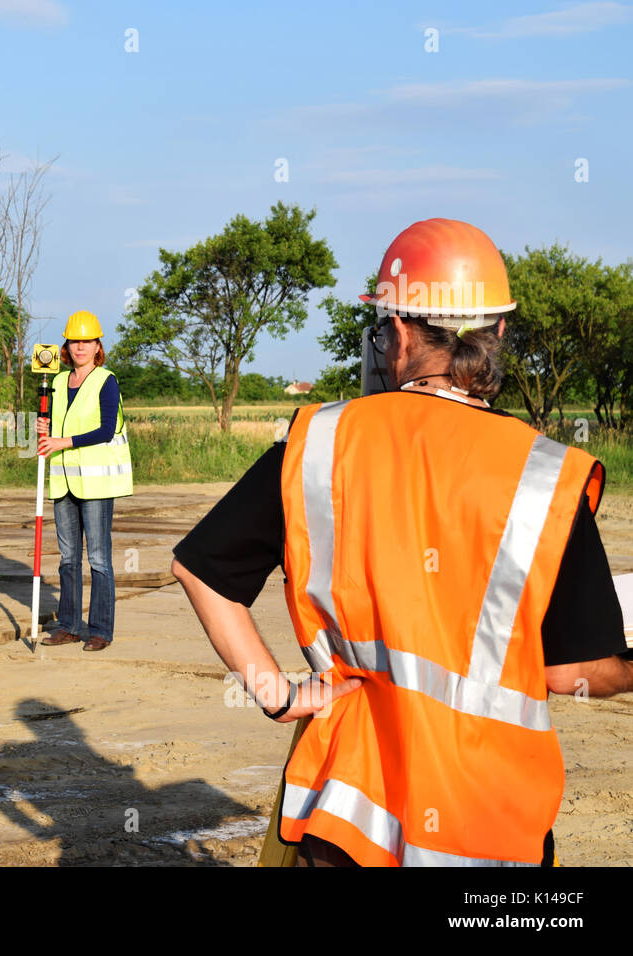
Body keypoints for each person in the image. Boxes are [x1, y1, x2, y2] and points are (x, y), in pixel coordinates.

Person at [170, 218, 633, 866]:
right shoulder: (545, 476)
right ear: (498, 333)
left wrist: (279, 694)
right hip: (488, 828)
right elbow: (573, 670)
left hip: (343, 817)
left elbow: (201, 570)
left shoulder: (317, 444)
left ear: (403, 331)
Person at [36, 310, 133, 652]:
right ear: (67, 346)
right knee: (67, 559)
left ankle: (101, 630)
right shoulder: (59, 382)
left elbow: (106, 430)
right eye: (74, 341)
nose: (80, 347)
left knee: (99, 559)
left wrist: (63, 441)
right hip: (63, 480)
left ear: (97, 346)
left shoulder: (106, 380)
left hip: (95, 484)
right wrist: (44, 429)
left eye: (87, 341)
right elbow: (51, 420)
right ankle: (69, 625)